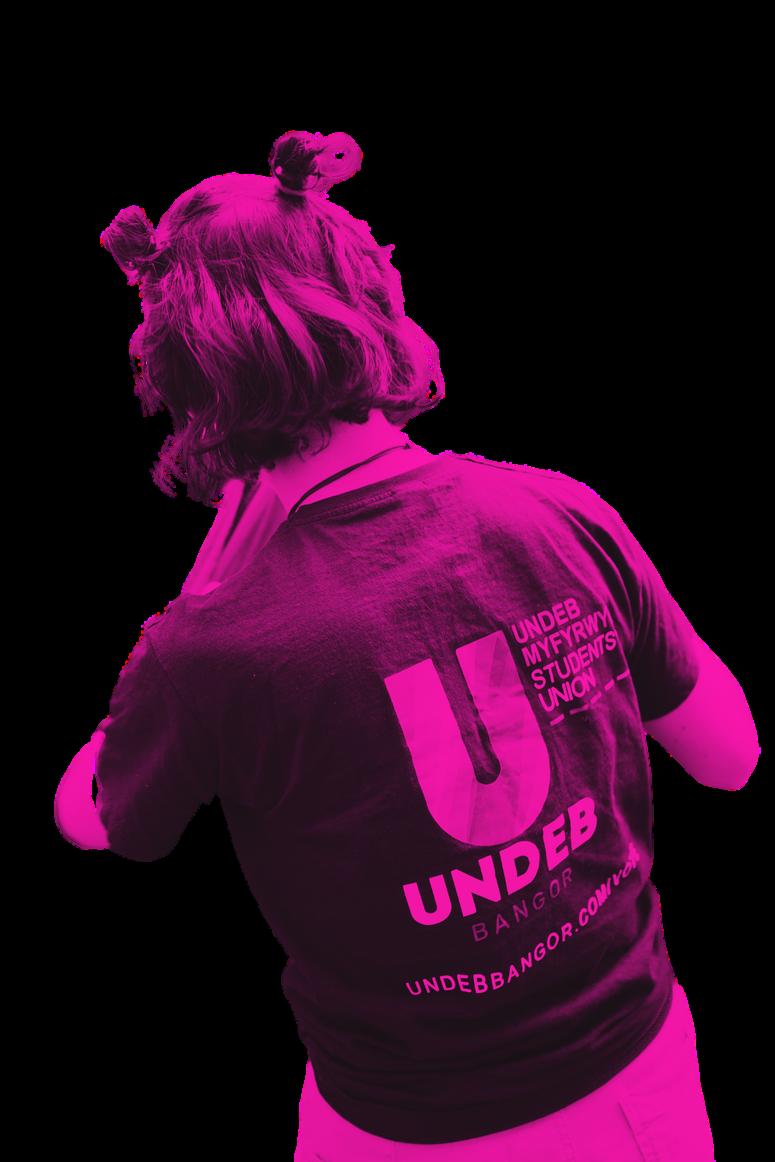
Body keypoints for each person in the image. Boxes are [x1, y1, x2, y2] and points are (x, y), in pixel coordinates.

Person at [57, 130, 759, 1160]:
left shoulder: (203, 645)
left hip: (401, 1135)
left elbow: (97, 820)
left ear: (183, 368)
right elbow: (731, 757)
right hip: (638, 1091)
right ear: (368, 294)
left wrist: (179, 623)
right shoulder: (557, 509)